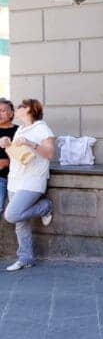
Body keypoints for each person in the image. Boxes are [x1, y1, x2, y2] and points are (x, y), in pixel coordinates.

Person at [0, 99, 55, 272]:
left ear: (30, 109)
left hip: (33, 180)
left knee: (12, 214)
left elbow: (50, 153)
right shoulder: (21, 130)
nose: (17, 109)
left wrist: (31, 143)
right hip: (15, 179)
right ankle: (25, 258)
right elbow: (18, 155)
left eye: (20, 107)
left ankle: (45, 207)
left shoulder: (42, 128)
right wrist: (8, 145)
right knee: (20, 222)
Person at [0, 98, 18, 214]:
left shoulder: (19, 131)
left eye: (2, 111)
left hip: (15, 178)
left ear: (11, 113)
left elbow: (27, 155)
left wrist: (8, 162)